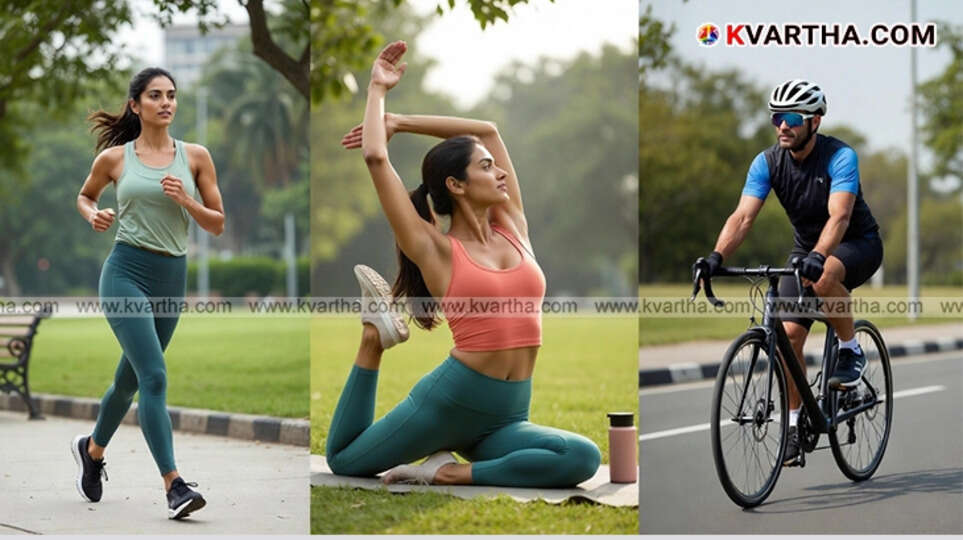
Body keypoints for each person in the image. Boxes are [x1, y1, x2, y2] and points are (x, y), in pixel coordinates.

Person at [326, 41, 601, 487]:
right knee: (345, 459)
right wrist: (378, 91)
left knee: (581, 457)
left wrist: (401, 122)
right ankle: (373, 340)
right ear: (456, 184)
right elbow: (376, 157)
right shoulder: (433, 248)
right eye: (487, 168)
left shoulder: (514, 225)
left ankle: (451, 471)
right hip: (452, 400)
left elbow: (488, 130)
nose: (501, 173)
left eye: (496, 167)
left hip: (508, 412)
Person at [695, 79, 882, 466]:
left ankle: (850, 350)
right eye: (777, 117)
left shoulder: (839, 156)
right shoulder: (766, 162)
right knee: (789, 337)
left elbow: (840, 215)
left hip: (856, 242)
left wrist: (818, 253)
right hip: (805, 253)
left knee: (825, 273)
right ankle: (795, 425)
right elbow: (743, 217)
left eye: (792, 118)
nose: (783, 126)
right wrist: (716, 255)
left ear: (814, 121)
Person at [72, 67, 225, 519]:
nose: (166, 102)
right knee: (154, 376)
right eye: (155, 95)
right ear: (136, 105)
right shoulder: (116, 159)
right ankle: (174, 485)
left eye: (172, 95)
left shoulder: (196, 157)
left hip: (170, 279)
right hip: (124, 273)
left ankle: (92, 451)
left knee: (129, 381)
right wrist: (93, 215)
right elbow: (85, 196)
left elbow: (217, 223)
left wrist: (187, 201)